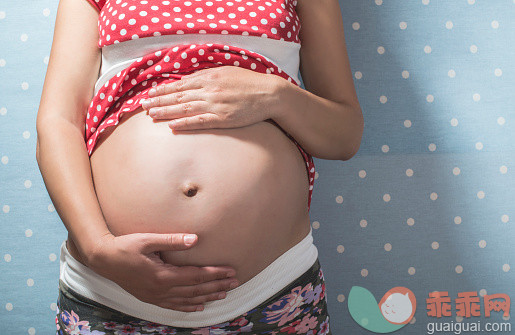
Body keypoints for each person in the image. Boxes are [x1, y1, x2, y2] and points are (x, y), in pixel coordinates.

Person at [36, 0, 363, 333]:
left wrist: (276, 95)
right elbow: (58, 122)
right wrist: (97, 249)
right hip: (111, 292)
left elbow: (345, 135)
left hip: (273, 292)